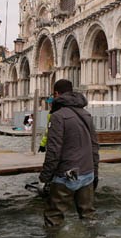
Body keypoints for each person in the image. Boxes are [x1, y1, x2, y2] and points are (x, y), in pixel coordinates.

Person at [39, 79, 99, 227]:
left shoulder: (58, 116)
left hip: (66, 175)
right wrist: (95, 172)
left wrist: (44, 178)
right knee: (88, 217)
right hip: (87, 172)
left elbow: (53, 151)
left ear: (56, 94)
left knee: (54, 217)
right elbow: (94, 146)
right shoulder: (86, 114)